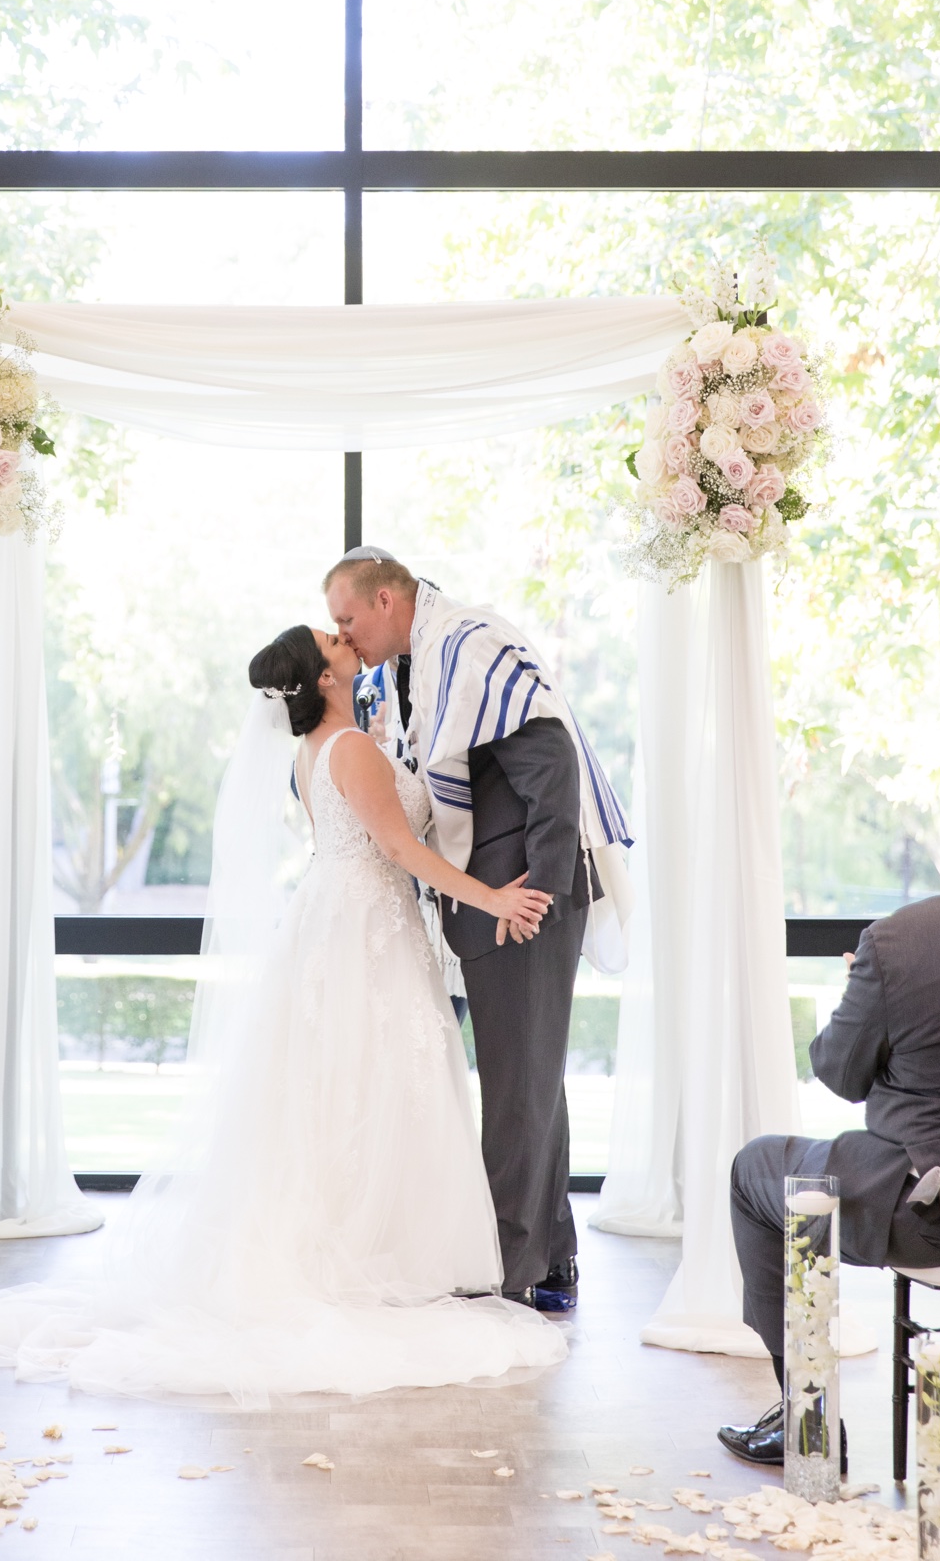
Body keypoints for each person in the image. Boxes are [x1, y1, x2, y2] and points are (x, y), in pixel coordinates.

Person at [0, 626, 569, 1402]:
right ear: (324, 678)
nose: (344, 636)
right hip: (366, 927)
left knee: (350, 1086)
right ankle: (378, 1249)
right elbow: (401, 848)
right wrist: (492, 895)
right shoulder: (348, 751)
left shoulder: (323, 749)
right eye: (332, 639)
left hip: (342, 919)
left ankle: (368, 1237)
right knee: (382, 1084)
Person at [324, 550, 633, 1311]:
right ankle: (552, 1257)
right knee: (531, 1080)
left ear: (386, 599)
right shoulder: (422, 662)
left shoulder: (467, 644)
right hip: (506, 898)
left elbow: (552, 756)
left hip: (522, 900)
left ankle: (507, 1272)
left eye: (347, 618)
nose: (345, 633)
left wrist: (543, 896)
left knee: (517, 1088)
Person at [719, 894, 940, 1465]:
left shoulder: (903, 943)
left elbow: (839, 1071)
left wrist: (866, 992)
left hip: (938, 1214)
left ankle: (808, 1420)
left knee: (757, 1168)